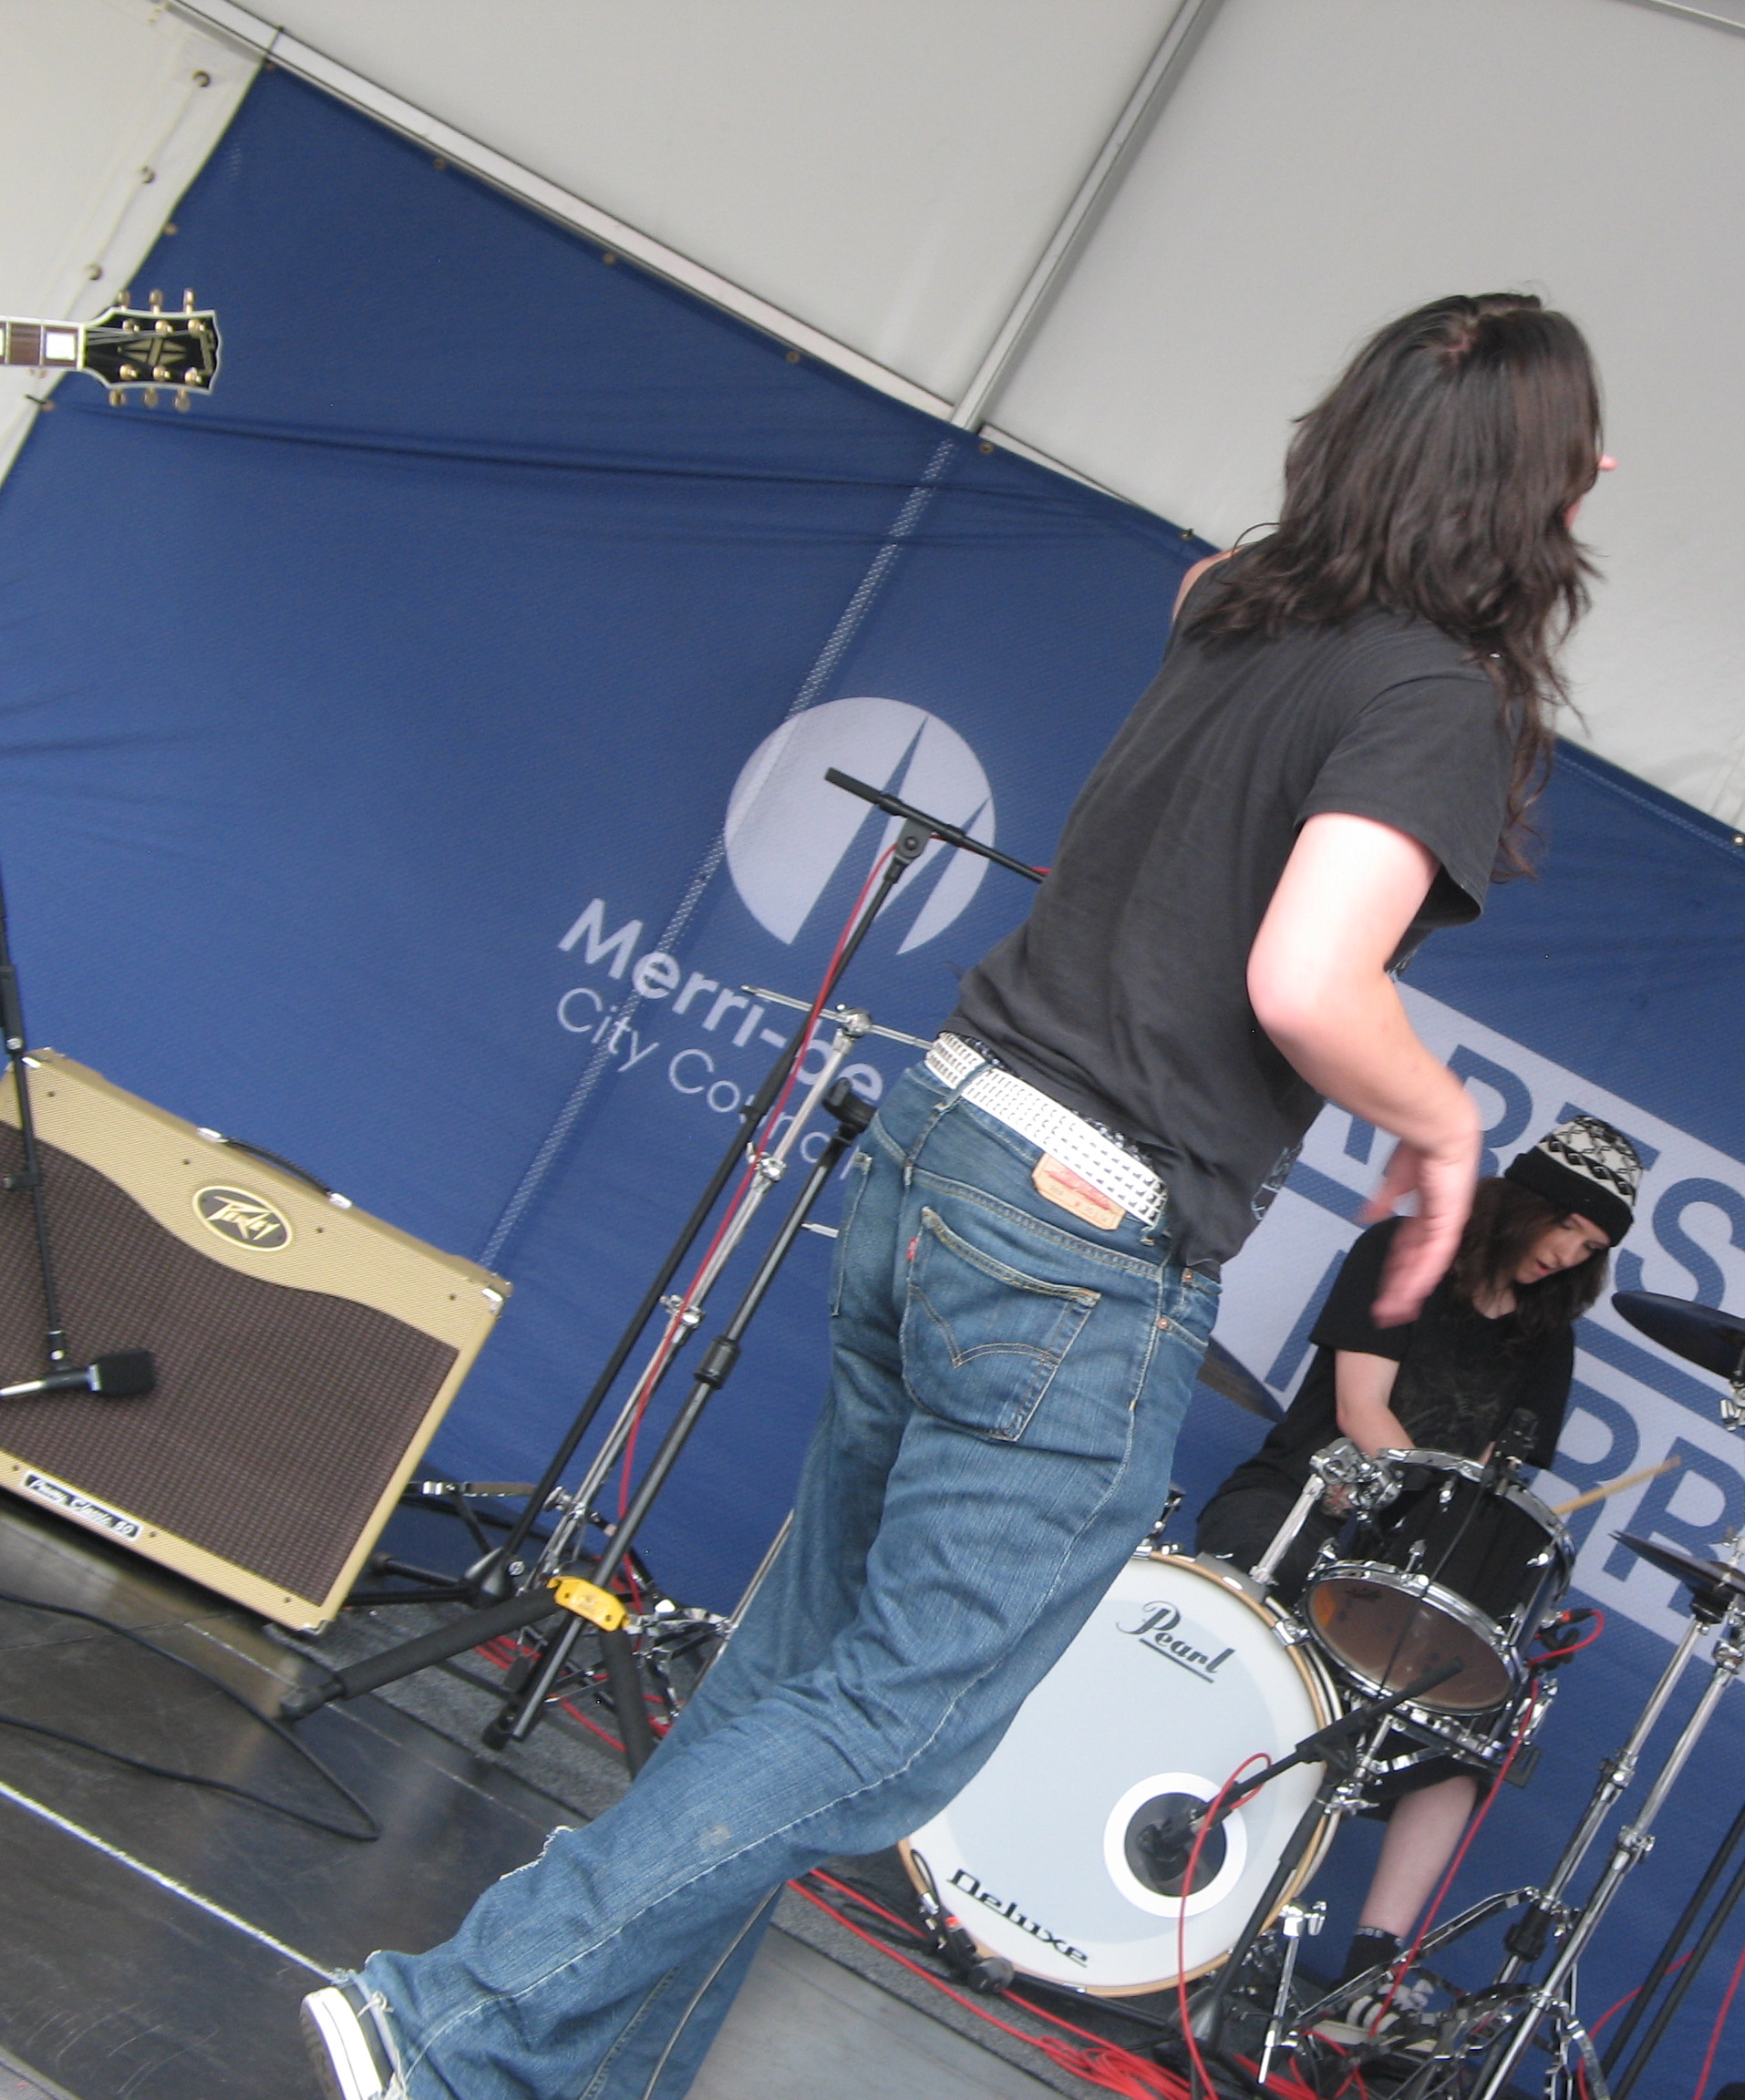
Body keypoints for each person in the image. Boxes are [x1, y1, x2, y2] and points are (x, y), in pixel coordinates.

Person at [301, 290, 1613, 2100]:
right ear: (1540, 487)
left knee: (792, 1688)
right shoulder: (1428, 697)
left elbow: (1224, 661)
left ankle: (566, 2075)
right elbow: (1309, 980)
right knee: (895, 1724)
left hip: (951, 1141)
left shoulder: (1240, 603)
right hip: (1080, 1232)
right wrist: (1444, 1122)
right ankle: (452, 2021)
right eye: (1579, 462)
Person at [1194, 1114, 1642, 1998]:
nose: (1568, 1256)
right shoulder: (1401, 1251)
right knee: (1283, 1618)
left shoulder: (1548, 1339)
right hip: (1303, 1498)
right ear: (1522, 1204)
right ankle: (1205, 1880)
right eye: (1566, 1228)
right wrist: (1413, 1502)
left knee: (1474, 1721)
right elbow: (1361, 1408)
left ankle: (1369, 1974)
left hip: (1419, 1555)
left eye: (1591, 1248)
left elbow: (1497, 1478)